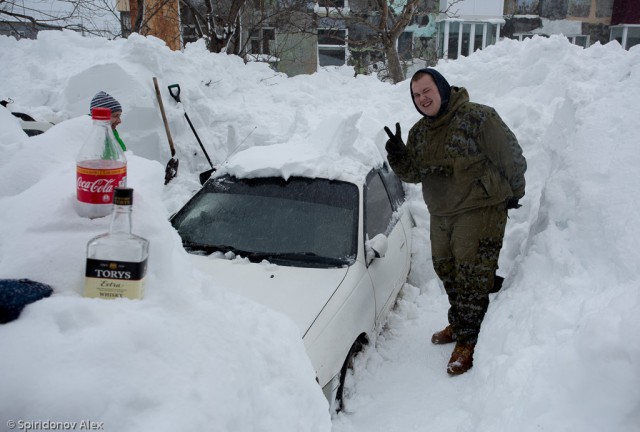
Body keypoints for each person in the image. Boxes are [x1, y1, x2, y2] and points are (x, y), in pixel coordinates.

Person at [384, 68, 526, 375]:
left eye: (427, 91)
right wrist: (397, 154)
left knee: (471, 271)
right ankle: (461, 320)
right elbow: (413, 173)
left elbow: (511, 155)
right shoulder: (419, 132)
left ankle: (468, 340)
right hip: (443, 211)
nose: (422, 98)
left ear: (443, 88)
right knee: (445, 267)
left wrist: (515, 192)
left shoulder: (478, 118)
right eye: (416, 95)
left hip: (480, 207)